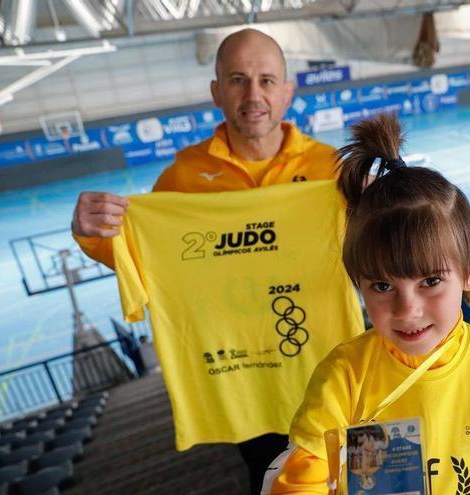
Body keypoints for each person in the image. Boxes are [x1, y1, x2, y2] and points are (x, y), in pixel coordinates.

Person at [71, 29, 339, 495]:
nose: (254, 94)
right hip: (244, 379)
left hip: (328, 361)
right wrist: (92, 234)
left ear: (288, 91)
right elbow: (148, 262)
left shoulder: (333, 169)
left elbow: (380, 252)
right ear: (217, 91)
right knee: (276, 480)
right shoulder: (182, 177)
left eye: (267, 80)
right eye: (238, 79)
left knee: (352, 473)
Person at [263, 114, 470, 493]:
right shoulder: (344, 377)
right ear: (358, 283)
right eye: (383, 286)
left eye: (431, 281)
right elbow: (300, 482)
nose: (408, 310)